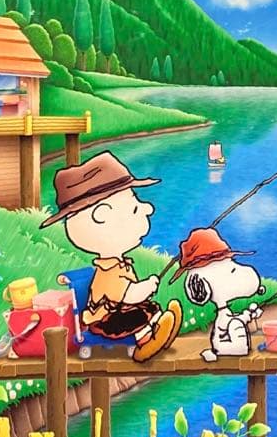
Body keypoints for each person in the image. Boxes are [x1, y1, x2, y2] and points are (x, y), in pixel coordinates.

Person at [41, 152, 182, 362]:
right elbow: (125, 295)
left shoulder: (117, 264)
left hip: (117, 310)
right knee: (135, 317)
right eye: (134, 208)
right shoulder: (109, 271)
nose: (148, 208)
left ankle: (159, 329)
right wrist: (146, 287)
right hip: (107, 319)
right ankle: (147, 342)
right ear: (102, 216)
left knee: (144, 311)